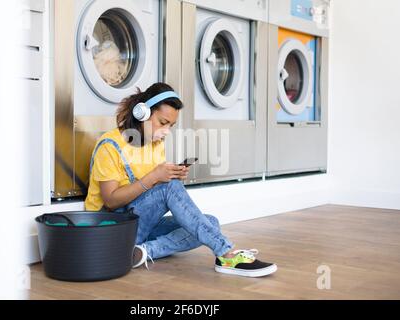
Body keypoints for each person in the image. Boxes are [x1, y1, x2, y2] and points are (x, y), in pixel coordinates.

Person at [85, 82, 277, 277]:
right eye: (163, 122)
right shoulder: (109, 146)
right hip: (110, 229)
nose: (166, 131)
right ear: (142, 113)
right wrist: (155, 178)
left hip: (136, 227)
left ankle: (142, 252)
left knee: (210, 223)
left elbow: (153, 194)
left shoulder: (154, 143)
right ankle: (226, 254)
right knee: (176, 196)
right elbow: (109, 201)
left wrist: (168, 176)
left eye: (171, 125)